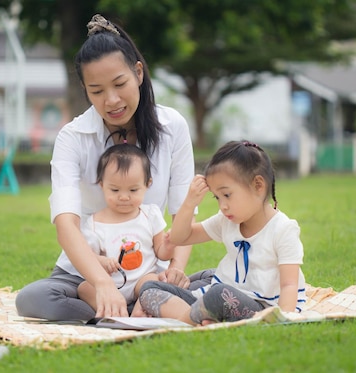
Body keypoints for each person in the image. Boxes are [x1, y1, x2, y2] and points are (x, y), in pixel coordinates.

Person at [15, 14, 212, 321]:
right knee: (33, 299)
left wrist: (175, 271)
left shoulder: (173, 127)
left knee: (219, 278)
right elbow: (66, 225)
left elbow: (182, 215)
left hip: (151, 271)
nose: (112, 100)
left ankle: (135, 307)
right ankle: (137, 311)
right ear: (84, 89)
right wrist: (102, 282)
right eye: (96, 91)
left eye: (120, 84)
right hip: (85, 274)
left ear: (138, 73)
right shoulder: (73, 137)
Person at [138, 140, 307, 326]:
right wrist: (189, 202)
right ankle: (202, 316)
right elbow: (180, 238)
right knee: (149, 288)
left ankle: (184, 321)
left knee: (218, 294)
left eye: (227, 195)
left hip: (261, 306)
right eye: (217, 198)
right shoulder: (227, 220)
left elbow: (289, 285)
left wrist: (279, 319)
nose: (222, 206)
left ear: (258, 185)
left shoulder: (283, 230)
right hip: (224, 295)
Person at [77, 144, 175, 316]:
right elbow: (87, 257)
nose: (123, 196)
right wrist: (101, 261)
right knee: (84, 288)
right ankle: (114, 311)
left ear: (147, 184)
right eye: (114, 190)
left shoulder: (149, 214)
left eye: (133, 190)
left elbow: (162, 253)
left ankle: (140, 307)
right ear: (102, 185)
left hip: (142, 278)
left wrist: (169, 244)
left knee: (152, 282)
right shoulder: (94, 223)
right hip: (108, 285)